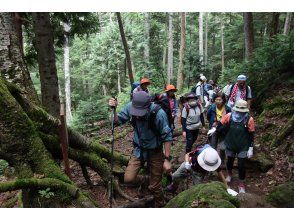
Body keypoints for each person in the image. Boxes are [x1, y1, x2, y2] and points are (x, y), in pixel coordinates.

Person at [108, 91, 173, 207]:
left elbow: (167, 136)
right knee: (128, 178)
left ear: (148, 106)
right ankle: (145, 180)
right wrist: (113, 109)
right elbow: (116, 122)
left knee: (155, 186)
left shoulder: (159, 114)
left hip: (156, 151)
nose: (137, 115)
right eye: (136, 112)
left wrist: (167, 159)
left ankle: (161, 205)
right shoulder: (130, 106)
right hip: (139, 150)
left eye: (140, 112)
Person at [216, 100, 255, 193]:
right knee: (230, 161)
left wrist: (251, 148)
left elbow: (251, 134)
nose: (239, 113)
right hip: (230, 143)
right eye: (238, 111)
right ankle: (229, 174)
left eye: (242, 111)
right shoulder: (229, 116)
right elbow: (219, 126)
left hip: (243, 146)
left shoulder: (249, 119)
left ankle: (241, 183)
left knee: (241, 165)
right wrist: (223, 129)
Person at [207, 92, 231, 164]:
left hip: (223, 130)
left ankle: (222, 161)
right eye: (216, 99)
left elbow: (230, 119)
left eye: (219, 100)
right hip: (214, 129)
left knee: (223, 147)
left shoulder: (227, 109)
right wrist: (213, 123)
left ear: (223, 100)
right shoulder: (212, 108)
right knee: (213, 146)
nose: (218, 101)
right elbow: (208, 116)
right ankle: (212, 160)